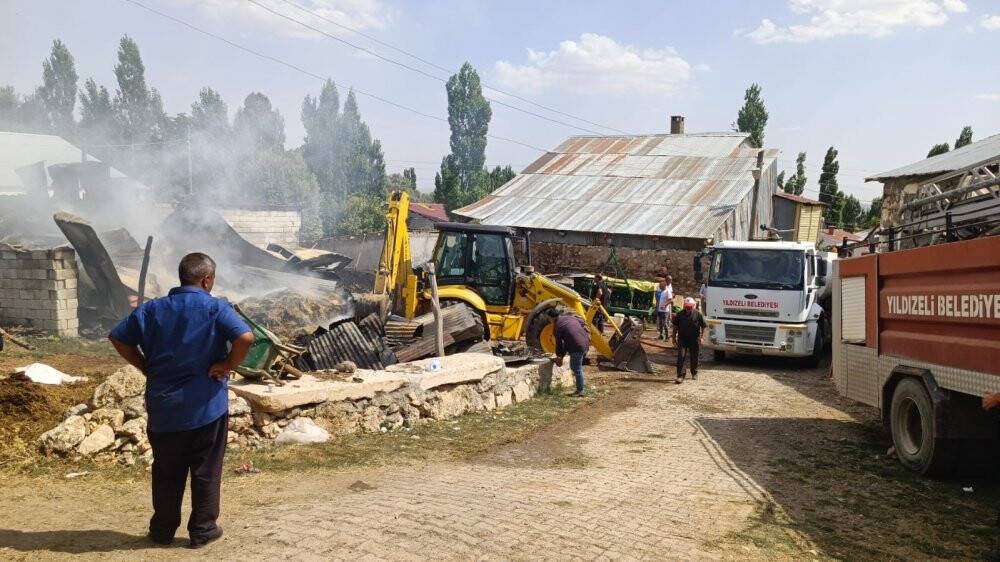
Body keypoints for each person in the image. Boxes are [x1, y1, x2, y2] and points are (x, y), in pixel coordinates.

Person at [108, 253, 254, 549]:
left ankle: (162, 530)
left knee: (166, 470)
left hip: (165, 409)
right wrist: (227, 366)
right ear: (207, 280)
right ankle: (202, 529)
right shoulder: (216, 308)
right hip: (207, 407)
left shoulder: (152, 310)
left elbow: (118, 337)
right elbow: (246, 338)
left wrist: (143, 365)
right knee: (206, 470)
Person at [548, 308, 589, 397]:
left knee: (576, 368)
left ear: (551, 318)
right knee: (578, 367)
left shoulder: (557, 326)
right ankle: (580, 389)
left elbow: (559, 344)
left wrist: (559, 356)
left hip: (577, 346)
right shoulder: (570, 317)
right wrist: (561, 356)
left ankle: (580, 391)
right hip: (585, 342)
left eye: (549, 319)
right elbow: (582, 322)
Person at [671, 297, 706, 384]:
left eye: (690, 306)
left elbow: (703, 326)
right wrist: (673, 339)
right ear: (684, 306)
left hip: (694, 339)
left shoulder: (698, 314)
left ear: (693, 306)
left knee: (694, 356)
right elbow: (675, 327)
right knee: (681, 356)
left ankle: (694, 372)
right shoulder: (679, 314)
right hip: (682, 339)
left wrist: (702, 337)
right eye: (687, 306)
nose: (688, 308)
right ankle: (680, 376)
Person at [655, 276, 674, 340]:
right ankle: (661, 335)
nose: (660, 286)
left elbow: (671, 300)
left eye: (661, 285)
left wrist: (665, 305)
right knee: (660, 324)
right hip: (660, 310)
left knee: (665, 323)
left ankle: (667, 337)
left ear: (664, 286)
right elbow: (658, 298)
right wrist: (657, 306)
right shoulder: (661, 291)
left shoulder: (667, 291)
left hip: (665, 311)